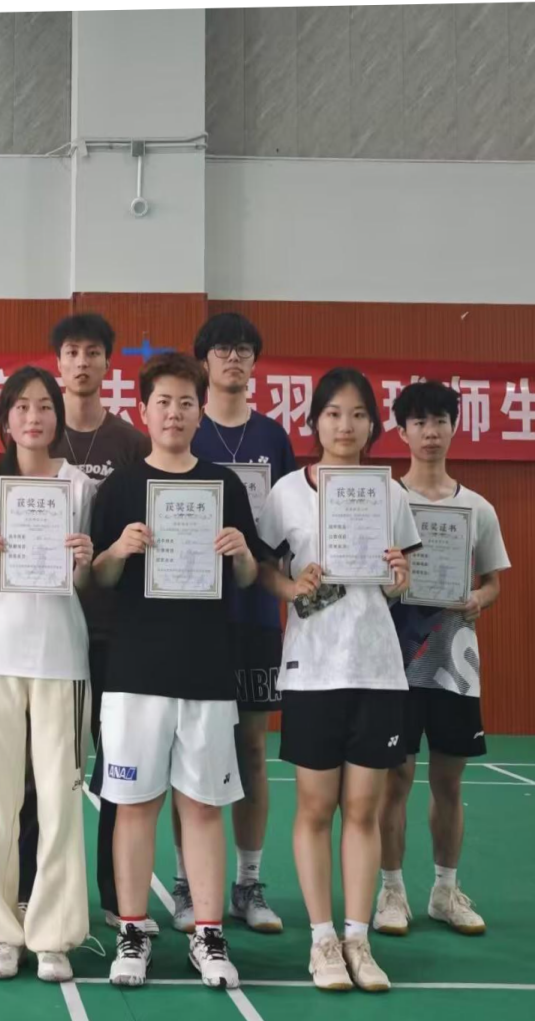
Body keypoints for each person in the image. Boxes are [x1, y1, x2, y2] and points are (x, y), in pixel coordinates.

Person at [92, 352, 263, 990]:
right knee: (134, 805)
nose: (174, 413)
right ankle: (133, 930)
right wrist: (118, 549)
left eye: (186, 402)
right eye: (162, 402)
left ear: (200, 411)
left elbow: (248, 576)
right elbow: (98, 578)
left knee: (203, 805)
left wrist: (241, 553)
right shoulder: (119, 487)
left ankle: (208, 935)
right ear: (144, 410)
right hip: (134, 672)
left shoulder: (224, 486)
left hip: (206, 672)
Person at [256, 368, 419, 993]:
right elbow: (264, 569)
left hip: (377, 668)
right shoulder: (287, 493)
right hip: (313, 670)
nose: (344, 426)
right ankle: (322, 940)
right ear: (315, 422)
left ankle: (358, 937)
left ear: (373, 425)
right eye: (332, 413)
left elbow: (397, 583)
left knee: (363, 809)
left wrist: (400, 577)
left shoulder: (391, 494)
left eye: (356, 415)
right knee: (316, 807)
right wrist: (290, 586)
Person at [0, 366, 96, 983]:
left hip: (61, 656)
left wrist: (86, 561)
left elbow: (86, 583)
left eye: (44, 406)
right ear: (5, 419)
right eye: (22, 406)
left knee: (61, 798)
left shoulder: (79, 486)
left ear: (57, 418)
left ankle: (53, 934)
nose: (34, 417)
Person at [376, 381, 510, 937]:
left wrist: (479, 598)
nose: (430, 433)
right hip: (396, 660)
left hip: (456, 663)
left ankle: (445, 891)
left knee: (449, 783)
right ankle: (391, 892)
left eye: (440, 421)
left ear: (455, 427)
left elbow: (493, 582)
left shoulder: (477, 508)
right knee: (395, 779)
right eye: (420, 422)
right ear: (402, 431)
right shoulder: (387, 501)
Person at [42, 314, 154, 936]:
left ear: (108, 364)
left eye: (92, 353)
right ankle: (44, 893)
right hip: (52, 632)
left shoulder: (130, 443)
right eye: (71, 352)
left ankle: (115, 894)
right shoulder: (38, 434)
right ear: (57, 363)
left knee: (117, 766)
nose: (81, 362)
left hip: (115, 631)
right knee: (51, 768)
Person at [189, 313, 296, 935]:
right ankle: (186, 883)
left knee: (252, 749)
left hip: (256, 614)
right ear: (204, 361)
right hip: (195, 617)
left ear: (255, 362)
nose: (234, 358)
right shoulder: (188, 428)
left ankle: (248, 884)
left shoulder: (273, 438)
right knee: (192, 750)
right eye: (223, 349)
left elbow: (286, 534)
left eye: (244, 350)